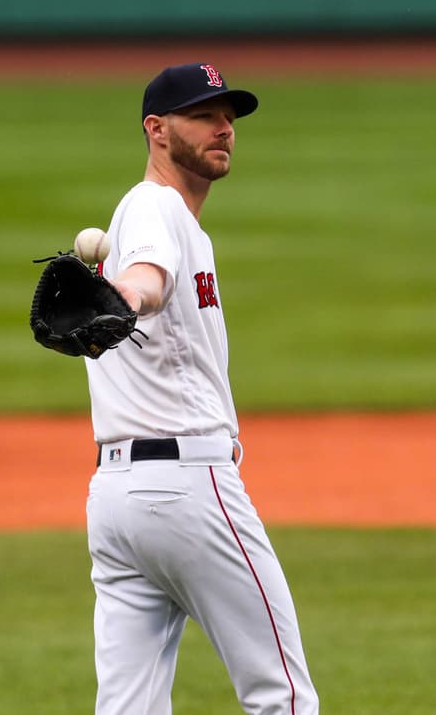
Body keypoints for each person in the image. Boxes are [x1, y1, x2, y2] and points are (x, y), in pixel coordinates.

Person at [84, 63, 319, 713]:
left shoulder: (160, 218)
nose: (224, 128)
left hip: (116, 500)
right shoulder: (154, 206)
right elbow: (147, 279)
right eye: (204, 115)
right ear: (156, 130)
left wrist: (123, 296)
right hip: (188, 490)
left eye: (229, 116)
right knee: (284, 695)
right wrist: (131, 294)